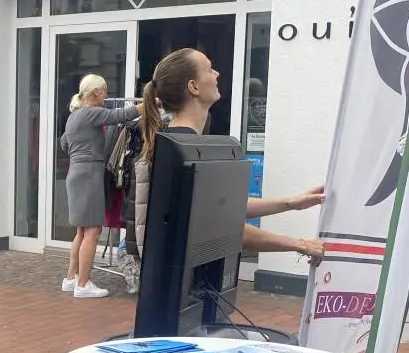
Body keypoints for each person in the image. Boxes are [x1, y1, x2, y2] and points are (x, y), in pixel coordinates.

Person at [133, 49, 326, 261]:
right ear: (193, 87)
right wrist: (301, 245)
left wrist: (292, 203)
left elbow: (225, 208)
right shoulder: (182, 151)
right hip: (188, 289)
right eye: (208, 69)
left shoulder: (182, 143)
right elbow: (221, 226)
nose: (217, 74)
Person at [61, 74, 138, 299]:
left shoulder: (73, 117)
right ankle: (84, 284)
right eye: (104, 92)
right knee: (93, 230)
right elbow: (120, 115)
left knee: (81, 231)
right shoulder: (91, 112)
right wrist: (149, 104)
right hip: (90, 174)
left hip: (76, 173)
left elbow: (64, 143)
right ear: (95, 92)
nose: (106, 96)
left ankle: (71, 278)